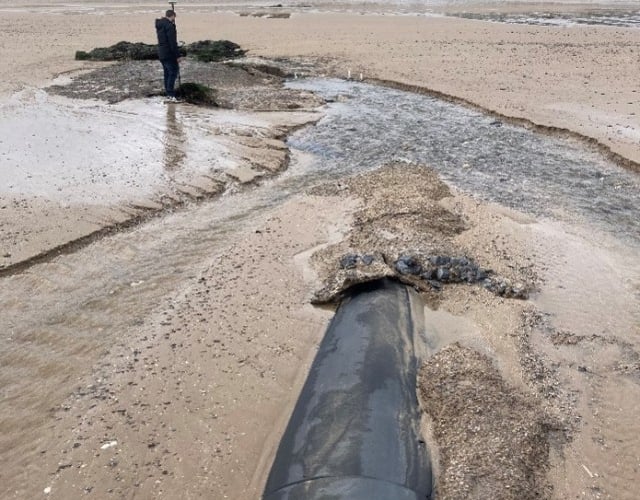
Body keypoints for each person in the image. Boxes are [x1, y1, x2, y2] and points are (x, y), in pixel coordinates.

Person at [155, 10, 182, 102]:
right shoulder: (170, 26)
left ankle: (168, 93)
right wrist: (178, 56)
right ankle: (170, 94)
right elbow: (172, 43)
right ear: (173, 16)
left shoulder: (160, 25)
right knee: (173, 72)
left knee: (167, 73)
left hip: (161, 52)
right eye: (174, 17)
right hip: (168, 53)